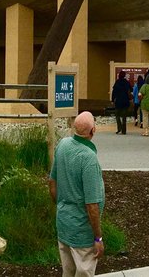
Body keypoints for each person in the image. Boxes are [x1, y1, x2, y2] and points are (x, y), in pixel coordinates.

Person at [48, 111, 106, 277]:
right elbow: (92, 205)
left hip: (64, 222)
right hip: (82, 230)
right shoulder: (88, 159)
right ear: (93, 131)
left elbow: (52, 183)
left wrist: (61, 205)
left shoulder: (63, 145)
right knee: (84, 272)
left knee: (68, 271)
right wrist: (98, 238)